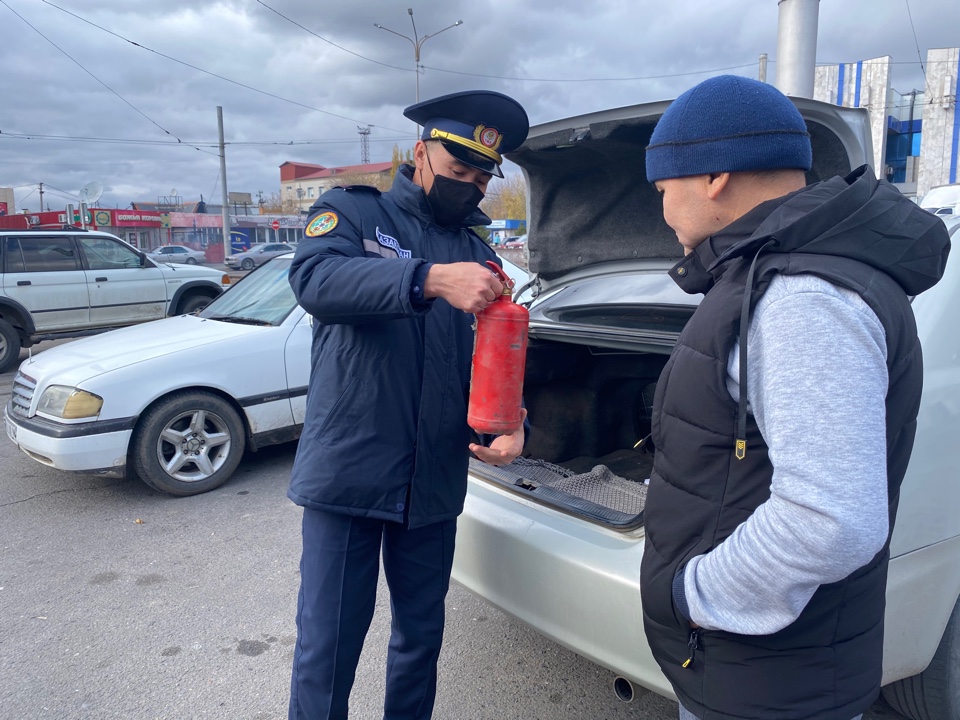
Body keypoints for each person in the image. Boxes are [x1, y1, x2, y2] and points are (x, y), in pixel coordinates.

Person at [638, 75, 950, 720]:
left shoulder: (803, 299)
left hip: (770, 682)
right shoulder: (777, 272)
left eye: (663, 189)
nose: (661, 211)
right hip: (757, 670)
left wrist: (693, 595)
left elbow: (831, 522)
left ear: (714, 176)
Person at [286, 90, 530, 720]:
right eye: (458, 168)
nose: (470, 185)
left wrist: (511, 425)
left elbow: (497, 360)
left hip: (433, 482)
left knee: (421, 642)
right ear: (421, 154)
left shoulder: (481, 254)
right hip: (349, 475)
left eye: (483, 176)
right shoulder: (352, 213)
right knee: (327, 648)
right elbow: (315, 281)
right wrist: (428, 278)